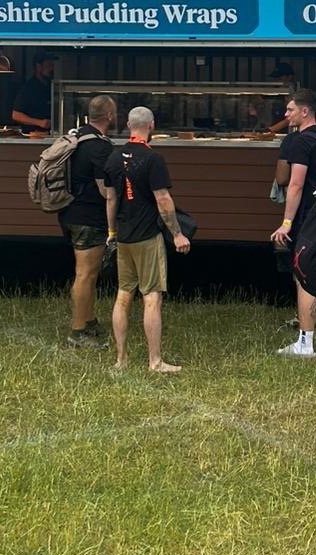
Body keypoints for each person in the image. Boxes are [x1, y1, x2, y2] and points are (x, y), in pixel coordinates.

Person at [104, 107, 189, 373]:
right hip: (147, 237)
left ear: (128, 125)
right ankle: (154, 361)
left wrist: (111, 233)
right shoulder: (153, 159)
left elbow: (110, 198)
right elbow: (162, 199)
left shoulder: (114, 158)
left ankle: (121, 359)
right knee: (152, 296)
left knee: (123, 295)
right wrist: (177, 233)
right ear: (151, 125)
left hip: (124, 235)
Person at [270, 87, 316, 356]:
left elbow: (295, 184)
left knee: (304, 276)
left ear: (305, 111)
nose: (286, 114)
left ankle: (305, 343)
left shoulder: (301, 141)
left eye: (290, 110)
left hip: (309, 217)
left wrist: (286, 222)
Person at [59, 94, 117, 346]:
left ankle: (89, 320)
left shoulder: (76, 136)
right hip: (89, 216)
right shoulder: (99, 146)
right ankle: (78, 331)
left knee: (89, 273)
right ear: (110, 116)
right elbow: (106, 190)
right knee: (85, 273)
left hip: (69, 212)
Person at [11, 53, 58, 131]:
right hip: (33, 136)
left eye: (53, 66)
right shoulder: (29, 88)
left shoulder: (52, 86)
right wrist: (39, 122)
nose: (52, 69)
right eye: (49, 66)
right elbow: (16, 115)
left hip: (51, 135)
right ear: (38, 66)